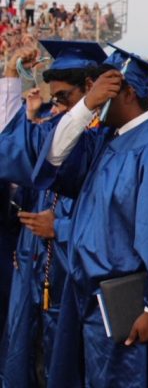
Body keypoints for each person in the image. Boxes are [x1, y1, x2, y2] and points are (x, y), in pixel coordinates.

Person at [31, 45, 148, 388]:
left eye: (102, 85)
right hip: (86, 300)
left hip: (126, 308)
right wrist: (85, 106)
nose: (93, 94)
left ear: (126, 90)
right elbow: (54, 157)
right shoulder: (107, 140)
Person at [0, 40, 107, 388]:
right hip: (34, 268)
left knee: (64, 366)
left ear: (90, 89)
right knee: (25, 357)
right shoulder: (57, 132)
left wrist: (59, 227)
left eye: (64, 98)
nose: (58, 107)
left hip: (73, 274)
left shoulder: (106, 143)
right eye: (56, 99)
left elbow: (116, 221)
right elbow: (12, 145)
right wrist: (10, 75)